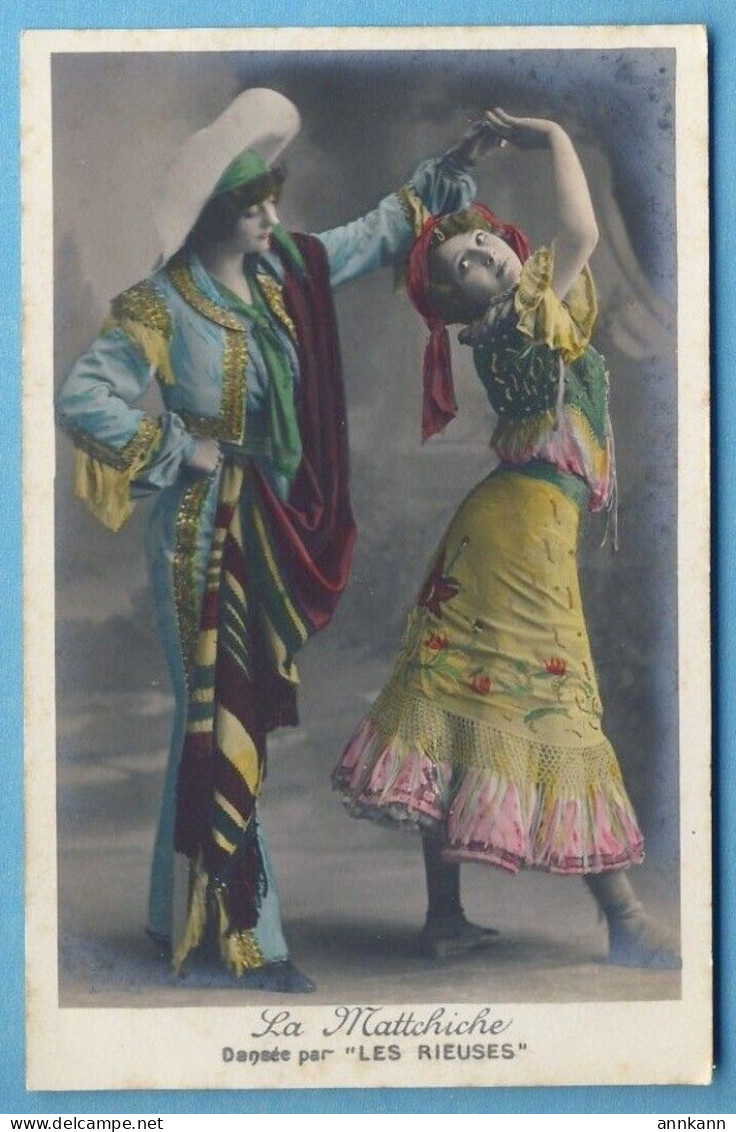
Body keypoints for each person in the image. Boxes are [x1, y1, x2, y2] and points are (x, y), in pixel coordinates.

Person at [56, 87, 505, 992]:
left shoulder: (285, 272)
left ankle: (169, 908)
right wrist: (180, 447)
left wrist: (453, 167)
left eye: (274, 201)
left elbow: (378, 230)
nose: (273, 217)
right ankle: (251, 936)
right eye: (256, 207)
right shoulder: (156, 305)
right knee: (222, 716)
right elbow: (83, 399)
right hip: (197, 533)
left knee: (221, 719)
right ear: (220, 215)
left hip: (269, 524)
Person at [333, 108, 680, 970]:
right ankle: (626, 921)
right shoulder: (526, 317)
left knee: (464, 703)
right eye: (467, 266)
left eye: (487, 247)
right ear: (460, 305)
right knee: (550, 698)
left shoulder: (526, 311)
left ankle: (446, 919)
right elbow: (584, 226)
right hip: (516, 538)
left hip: (514, 529)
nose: (487, 257)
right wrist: (553, 135)